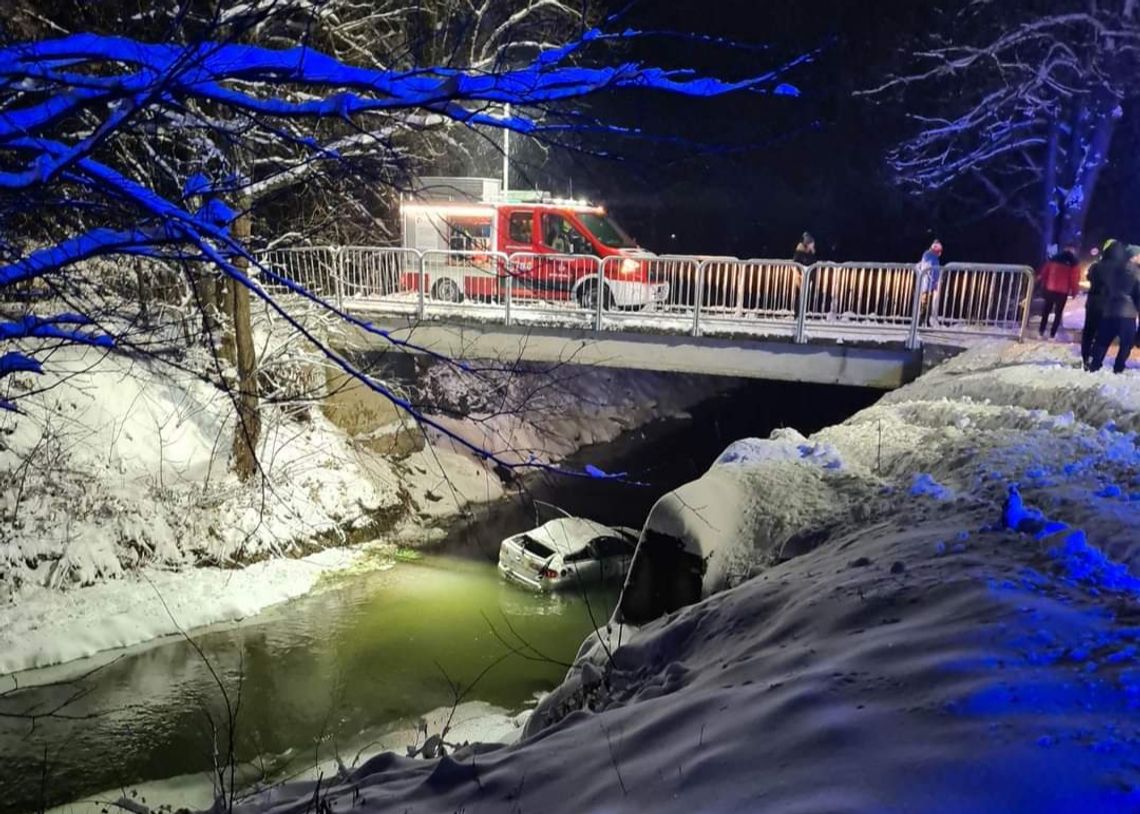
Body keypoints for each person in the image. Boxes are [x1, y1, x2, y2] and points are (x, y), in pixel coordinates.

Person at [1088, 244, 1140, 374]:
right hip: (1127, 313)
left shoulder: (1113, 270)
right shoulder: (1136, 273)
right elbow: (1137, 293)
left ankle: (1095, 365)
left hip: (1109, 310)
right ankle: (1118, 367)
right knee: (1127, 343)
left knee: (1103, 340)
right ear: (1133, 257)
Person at [1082, 240, 1123, 368]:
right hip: (1110, 306)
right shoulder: (1121, 269)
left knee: (1089, 331)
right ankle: (1096, 358)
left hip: (1093, 303)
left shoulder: (1097, 266)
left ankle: (1086, 357)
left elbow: (1089, 277)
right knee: (1103, 334)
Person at [1036, 246, 1081, 339]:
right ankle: (1052, 334)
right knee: (1058, 313)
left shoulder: (1054, 259)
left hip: (1050, 288)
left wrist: (1042, 283)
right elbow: (1074, 279)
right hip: (1062, 292)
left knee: (1046, 311)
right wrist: (1074, 292)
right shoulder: (1073, 263)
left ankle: (1041, 331)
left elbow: (1045, 272)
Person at [916, 239, 943, 327]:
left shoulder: (926, 255)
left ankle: (925, 321)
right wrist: (936, 283)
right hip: (929, 284)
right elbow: (934, 272)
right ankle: (921, 322)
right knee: (926, 304)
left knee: (925, 303)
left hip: (924, 283)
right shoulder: (933, 258)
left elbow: (920, 265)